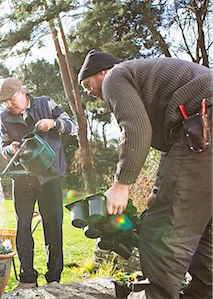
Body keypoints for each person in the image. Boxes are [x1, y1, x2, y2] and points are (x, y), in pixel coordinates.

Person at [78, 50, 212, 298]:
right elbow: (172, 146)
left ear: (103, 72)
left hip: (202, 126)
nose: (88, 92)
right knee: (206, 236)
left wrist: (121, 184)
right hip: (198, 132)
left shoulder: (115, 76)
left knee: (162, 231)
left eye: (87, 84)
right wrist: (158, 191)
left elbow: (135, 129)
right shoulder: (149, 81)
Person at [0, 78, 77, 290]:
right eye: (5, 102)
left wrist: (53, 123)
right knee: (23, 226)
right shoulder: (4, 117)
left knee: (53, 226)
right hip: (23, 178)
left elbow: (73, 127)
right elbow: (2, 146)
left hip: (51, 175)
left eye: (11, 99)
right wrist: (11, 149)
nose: (9, 105)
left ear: (23, 92)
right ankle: (27, 279)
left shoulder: (46, 104)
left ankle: (53, 280)